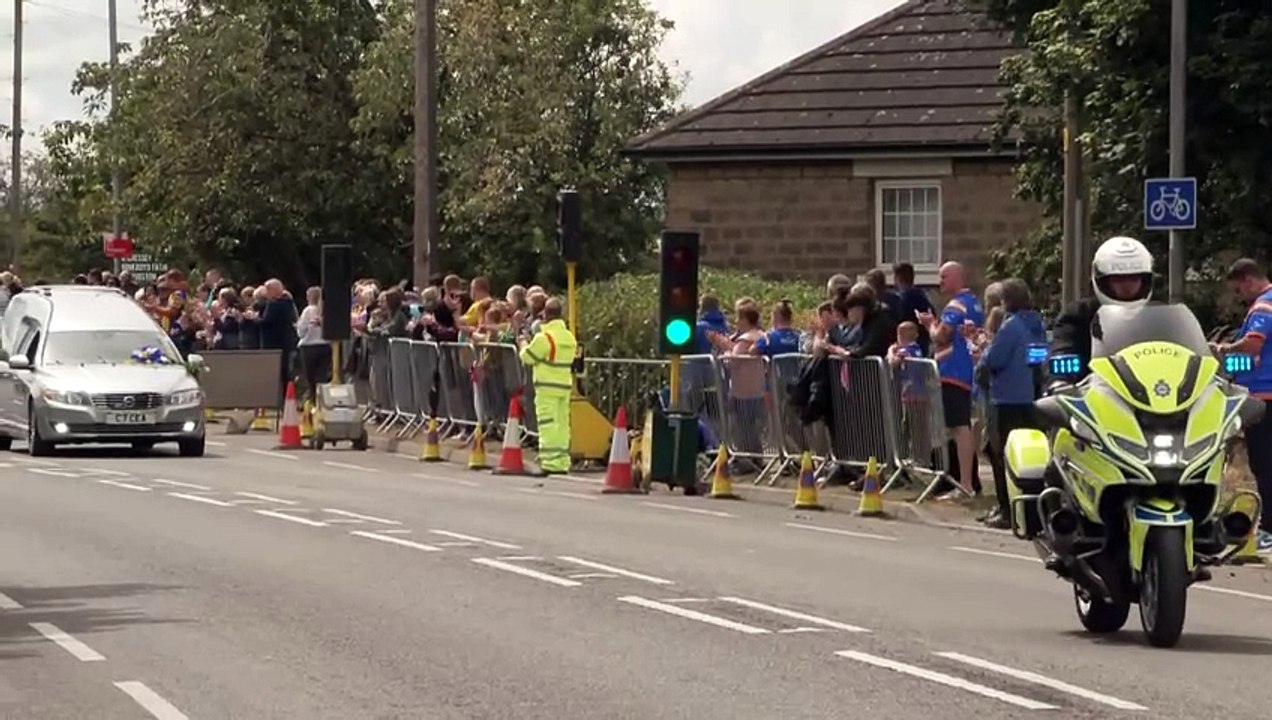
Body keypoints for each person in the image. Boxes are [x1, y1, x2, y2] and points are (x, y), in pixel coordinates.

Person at [977, 279, 1046, 529]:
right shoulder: (1037, 323)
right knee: (1029, 459)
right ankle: (1029, 509)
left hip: (1006, 398)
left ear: (1006, 301)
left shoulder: (1011, 327)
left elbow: (994, 359)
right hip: (1031, 397)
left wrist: (982, 361)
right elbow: (1039, 357)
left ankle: (1007, 510)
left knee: (1001, 456)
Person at [1215, 258, 1272, 554]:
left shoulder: (1263, 306)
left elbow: (1253, 344)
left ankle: (1268, 530)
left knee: (1264, 464)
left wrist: (1224, 349)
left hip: (1263, 396)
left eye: (1239, 290)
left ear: (1248, 279)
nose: (1240, 296)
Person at [1048, 236, 1154, 382]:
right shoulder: (1079, 316)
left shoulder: (1158, 318)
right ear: (1101, 280)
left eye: (1134, 279)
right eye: (1118, 280)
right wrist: (1060, 381)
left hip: (1155, 395)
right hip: (1097, 397)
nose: (1127, 287)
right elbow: (1063, 350)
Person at [518, 298, 578, 474]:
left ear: (546, 314)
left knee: (547, 424)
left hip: (546, 388)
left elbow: (528, 357)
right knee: (561, 424)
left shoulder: (545, 338)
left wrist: (522, 343)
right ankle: (561, 461)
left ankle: (550, 462)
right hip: (564, 386)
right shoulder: (569, 337)